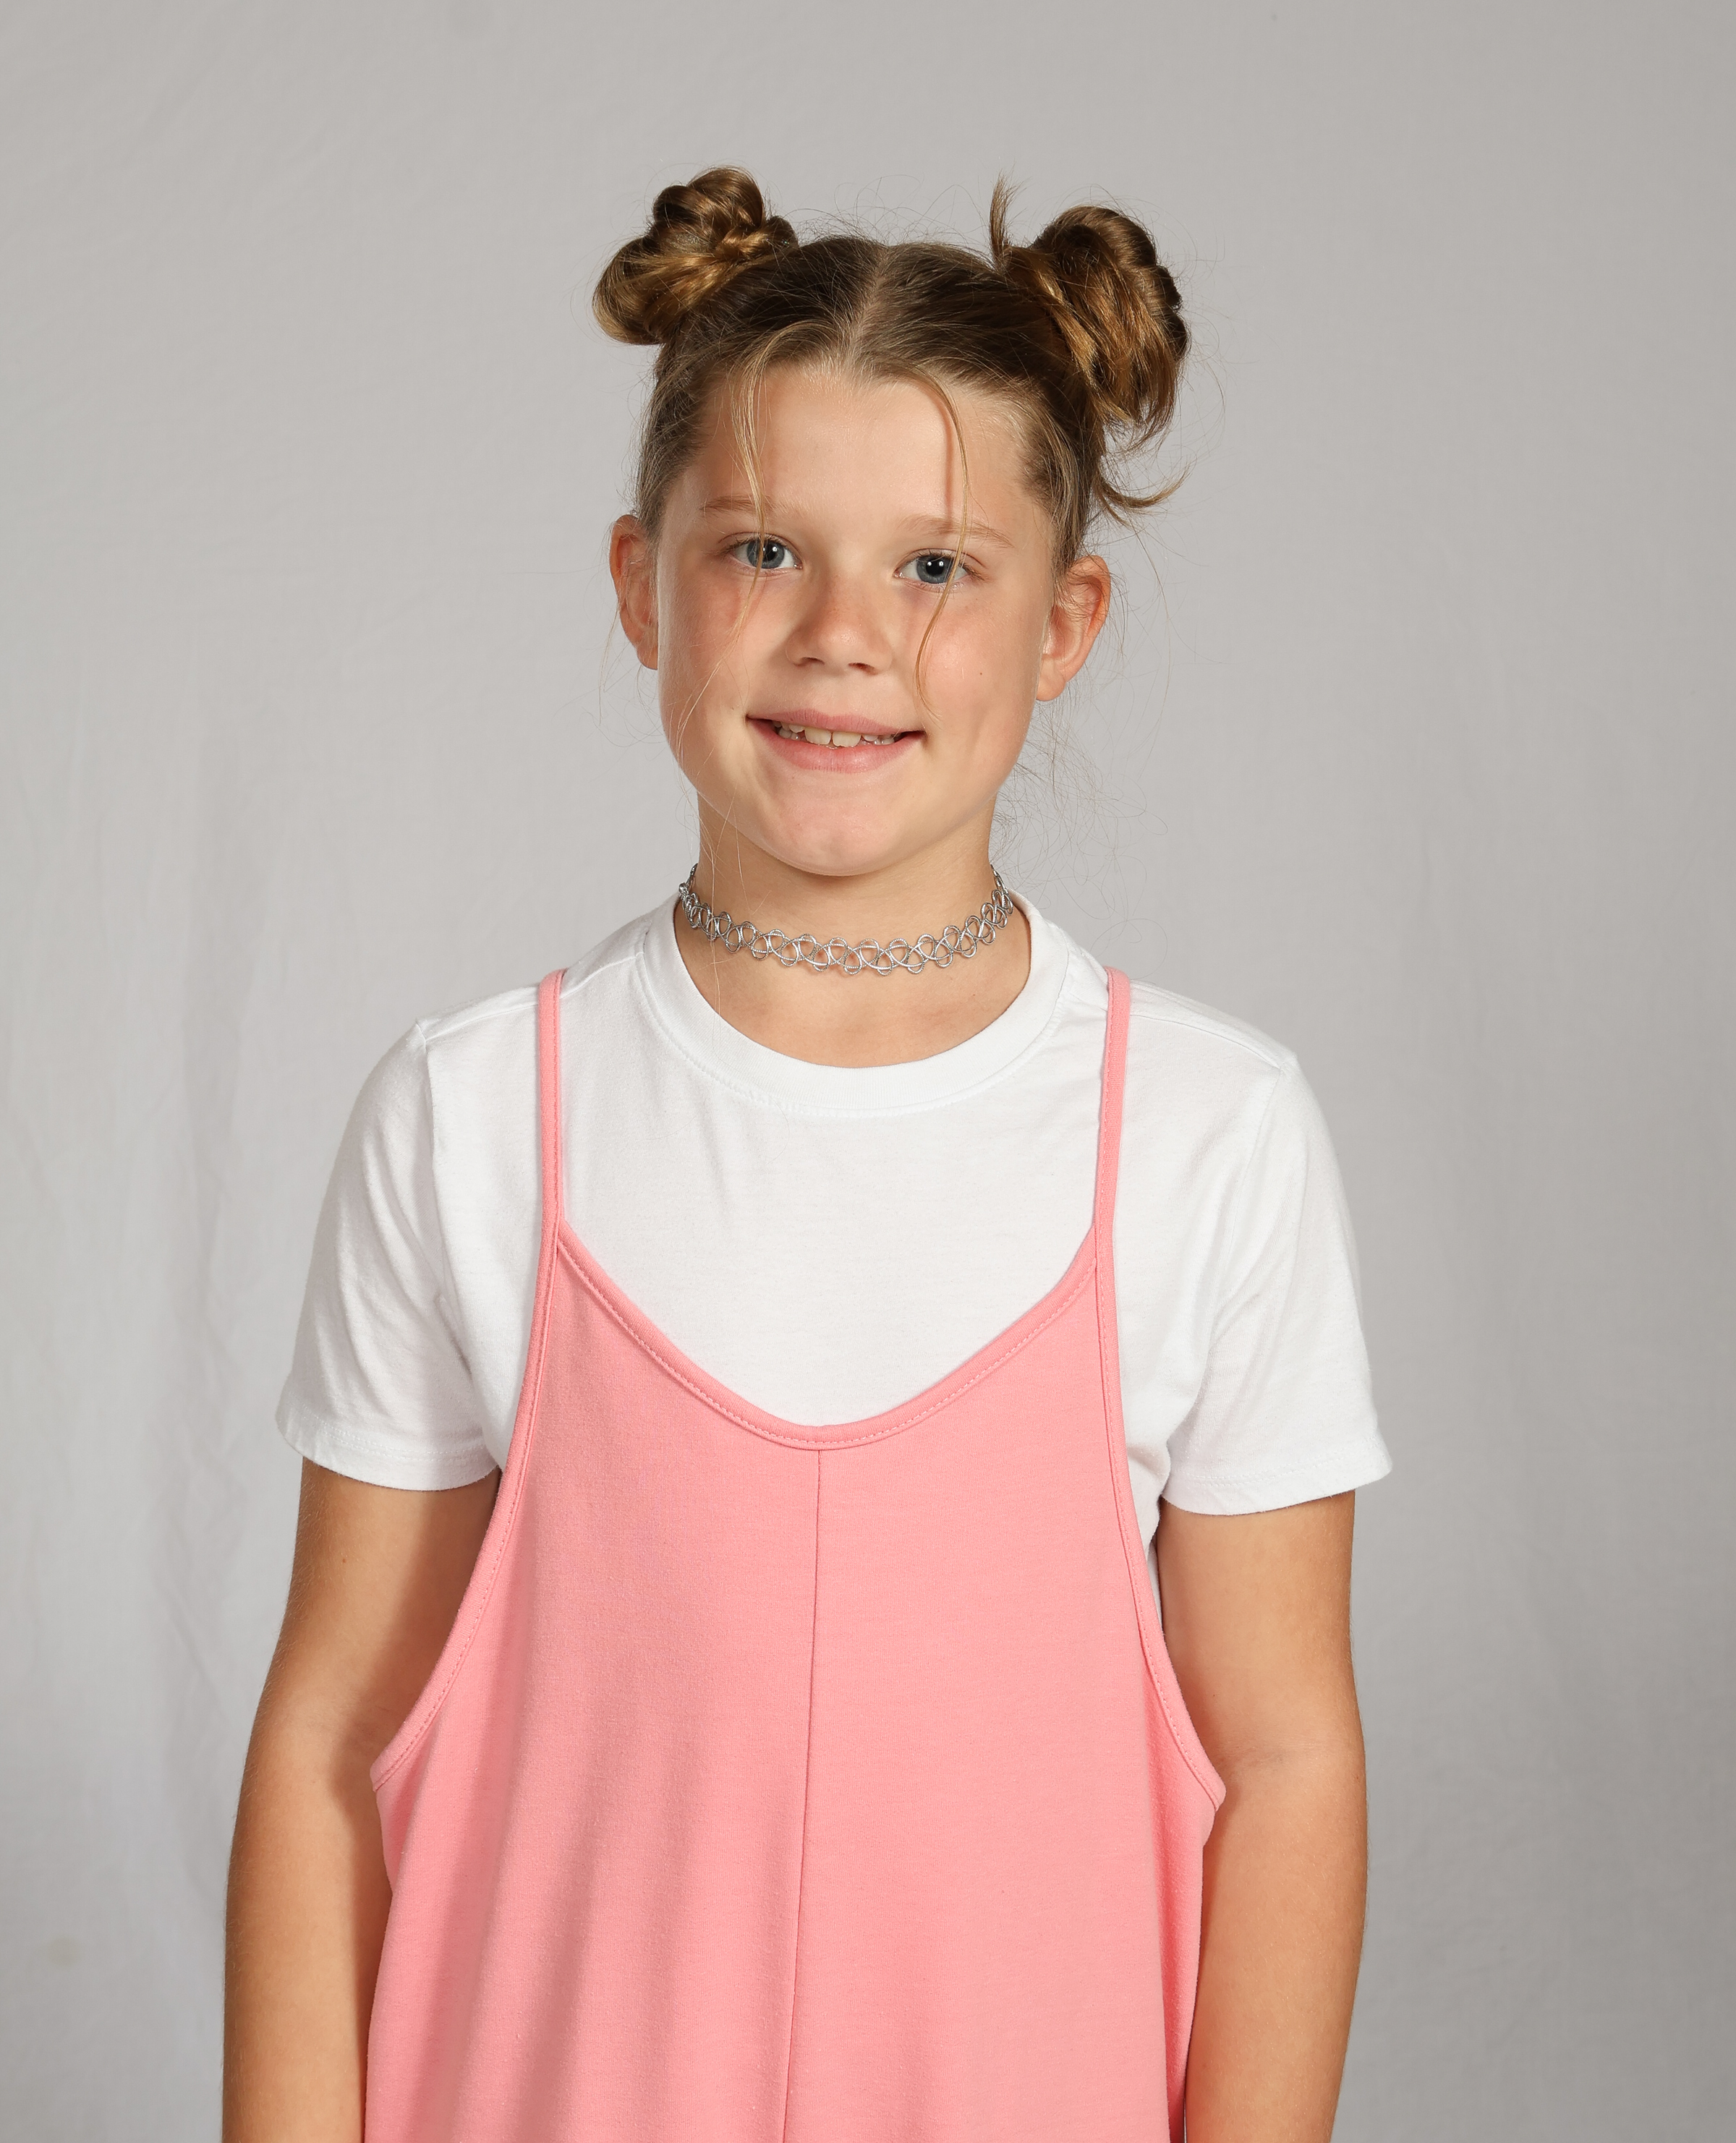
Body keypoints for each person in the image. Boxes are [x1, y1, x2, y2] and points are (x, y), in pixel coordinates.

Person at [225, 169, 1391, 2142]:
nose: (845, 638)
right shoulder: (475, 1116)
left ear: (1064, 623)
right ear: (640, 584)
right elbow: (333, 1734)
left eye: (937, 568)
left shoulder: (1211, 1135)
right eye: (763, 549)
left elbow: (1284, 1764)